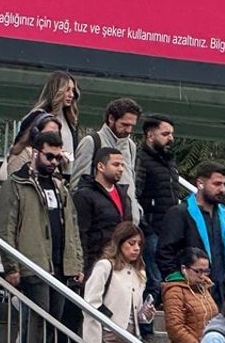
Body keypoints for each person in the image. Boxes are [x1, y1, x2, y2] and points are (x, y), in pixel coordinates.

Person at [0, 130, 84, 343]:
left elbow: (72, 226)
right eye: (49, 156)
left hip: (60, 265)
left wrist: (77, 263)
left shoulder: (59, 185)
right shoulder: (17, 183)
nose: (54, 162)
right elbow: (4, 228)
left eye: (58, 157)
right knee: (37, 322)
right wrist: (12, 266)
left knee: (55, 323)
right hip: (33, 264)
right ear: (35, 153)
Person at [158, 160, 225, 305]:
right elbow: (164, 254)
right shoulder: (180, 213)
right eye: (217, 184)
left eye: (224, 184)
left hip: (220, 294)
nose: (222, 189)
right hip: (190, 295)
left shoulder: (223, 217)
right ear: (200, 184)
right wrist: (181, 285)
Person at [134, 113, 179, 321]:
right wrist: (144, 224)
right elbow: (136, 192)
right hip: (150, 228)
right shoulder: (141, 159)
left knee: (164, 279)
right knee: (152, 279)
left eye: (171, 134)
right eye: (165, 133)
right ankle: (144, 326)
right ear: (150, 135)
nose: (170, 138)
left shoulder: (168, 161)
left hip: (167, 228)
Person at [71, 98, 143, 225]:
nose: (128, 130)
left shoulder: (131, 146)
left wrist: (136, 210)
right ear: (111, 119)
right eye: (124, 124)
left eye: (132, 126)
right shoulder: (91, 142)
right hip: (100, 223)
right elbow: (77, 185)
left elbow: (130, 182)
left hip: (128, 224)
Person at [82, 222, 156, 343]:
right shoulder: (105, 266)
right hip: (107, 334)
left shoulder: (140, 272)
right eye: (131, 243)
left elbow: (133, 310)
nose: (137, 248)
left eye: (139, 244)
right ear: (119, 243)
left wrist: (145, 315)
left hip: (131, 335)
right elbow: (90, 305)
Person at [74, 146, 134, 275]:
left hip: (120, 261)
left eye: (122, 165)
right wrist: (82, 267)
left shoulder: (123, 195)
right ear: (100, 167)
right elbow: (81, 233)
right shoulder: (85, 195)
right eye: (116, 164)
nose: (121, 169)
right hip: (95, 262)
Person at [162, 248, 220, 343]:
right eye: (198, 271)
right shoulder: (174, 291)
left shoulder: (204, 286)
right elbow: (175, 328)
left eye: (206, 271)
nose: (202, 275)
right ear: (184, 269)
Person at [22, 71, 82, 161]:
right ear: (57, 90)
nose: (71, 95)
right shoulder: (37, 117)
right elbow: (24, 147)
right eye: (67, 90)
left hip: (67, 173)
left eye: (73, 90)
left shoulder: (72, 121)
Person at [0, 111, 63, 181]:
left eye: (56, 134)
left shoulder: (55, 159)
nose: (53, 138)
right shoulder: (21, 157)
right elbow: (14, 185)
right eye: (48, 133)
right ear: (35, 133)